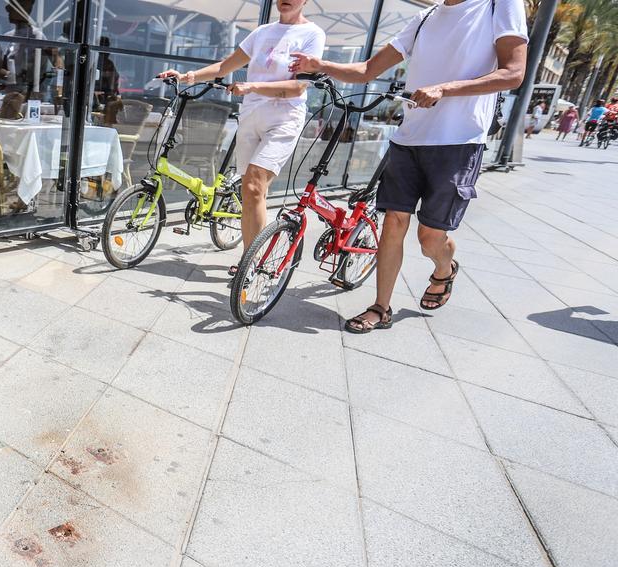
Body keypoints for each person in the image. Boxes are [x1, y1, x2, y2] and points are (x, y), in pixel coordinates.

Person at [290, 0, 526, 332]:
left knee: (429, 238)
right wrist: (321, 64)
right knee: (393, 223)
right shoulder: (425, 17)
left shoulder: (497, 6)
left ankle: (444, 268)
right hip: (409, 139)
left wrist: (445, 88)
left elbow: (513, 73)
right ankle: (380, 308)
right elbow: (369, 69)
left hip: (458, 142)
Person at [157, 0, 325, 275]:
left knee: (255, 185)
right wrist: (187, 76)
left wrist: (253, 86)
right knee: (249, 192)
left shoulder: (312, 34)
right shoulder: (262, 33)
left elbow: (297, 87)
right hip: (250, 116)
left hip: (283, 118)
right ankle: (252, 256)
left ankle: (251, 263)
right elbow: (225, 66)